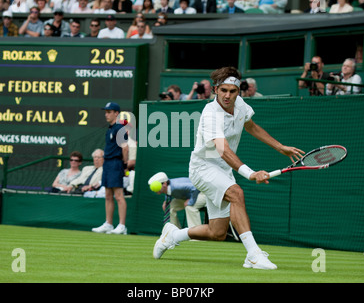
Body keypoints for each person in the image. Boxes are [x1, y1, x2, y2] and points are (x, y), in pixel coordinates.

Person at [153, 66, 305, 269]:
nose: (227, 95)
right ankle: (253, 254)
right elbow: (223, 149)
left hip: (221, 170)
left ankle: (172, 235)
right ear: (215, 89)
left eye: (232, 91)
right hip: (203, 168)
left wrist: (280, 147)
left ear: (238, 91)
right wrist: (250, 173)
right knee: (236, 193)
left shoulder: (240, 104)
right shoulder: (210, 113)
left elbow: (250, 125)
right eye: (223, 90)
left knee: (217, 233)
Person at [92, 102, 129, 235]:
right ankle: (108, 223)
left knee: (118, 196)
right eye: (106, 112)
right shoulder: (109, 128)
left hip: (116, 163)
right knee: (108, 195)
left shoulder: (120, 128)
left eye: (109, 112)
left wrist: (124, 165)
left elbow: (125, 148)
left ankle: (122, 226)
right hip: (107, 164)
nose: (106, 114)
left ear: (116, 113)